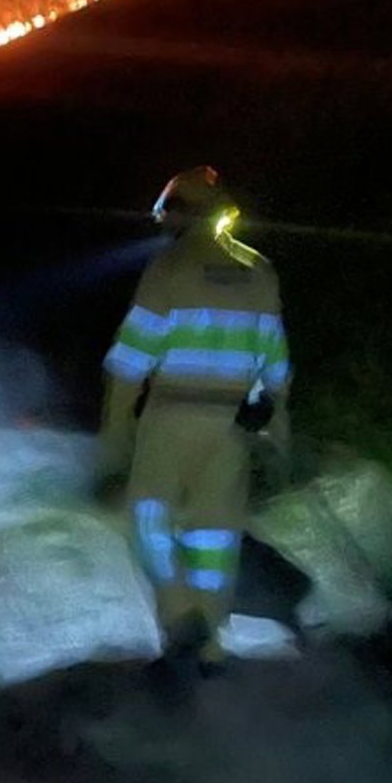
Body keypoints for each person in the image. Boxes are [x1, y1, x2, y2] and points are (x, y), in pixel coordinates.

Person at [98, 165, 291, 679]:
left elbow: (130, 360)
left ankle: (180, 615)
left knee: (147, 518)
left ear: (177, 213)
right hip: (232, 426)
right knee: (215, 534)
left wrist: (116, 432)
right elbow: (275, 364)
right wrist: (277, 427)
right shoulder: (259, 269)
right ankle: (210, 647)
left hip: (172, 417)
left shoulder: (169, 268)